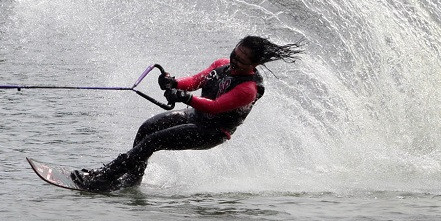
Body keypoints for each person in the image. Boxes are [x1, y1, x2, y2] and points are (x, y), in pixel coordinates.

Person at [71, 36, 303, 192]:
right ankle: (132, 180)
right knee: (147, 128)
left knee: (154, 141)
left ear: (254, 64)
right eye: (235, 53)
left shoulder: (248, 89)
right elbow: (194, 81)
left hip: (211, 132)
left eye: (241, 61)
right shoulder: (221, 64)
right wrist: (173, 82)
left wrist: (185, 97)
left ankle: (103, 178)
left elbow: (215, 106)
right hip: (195, 116)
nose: (233, 60)